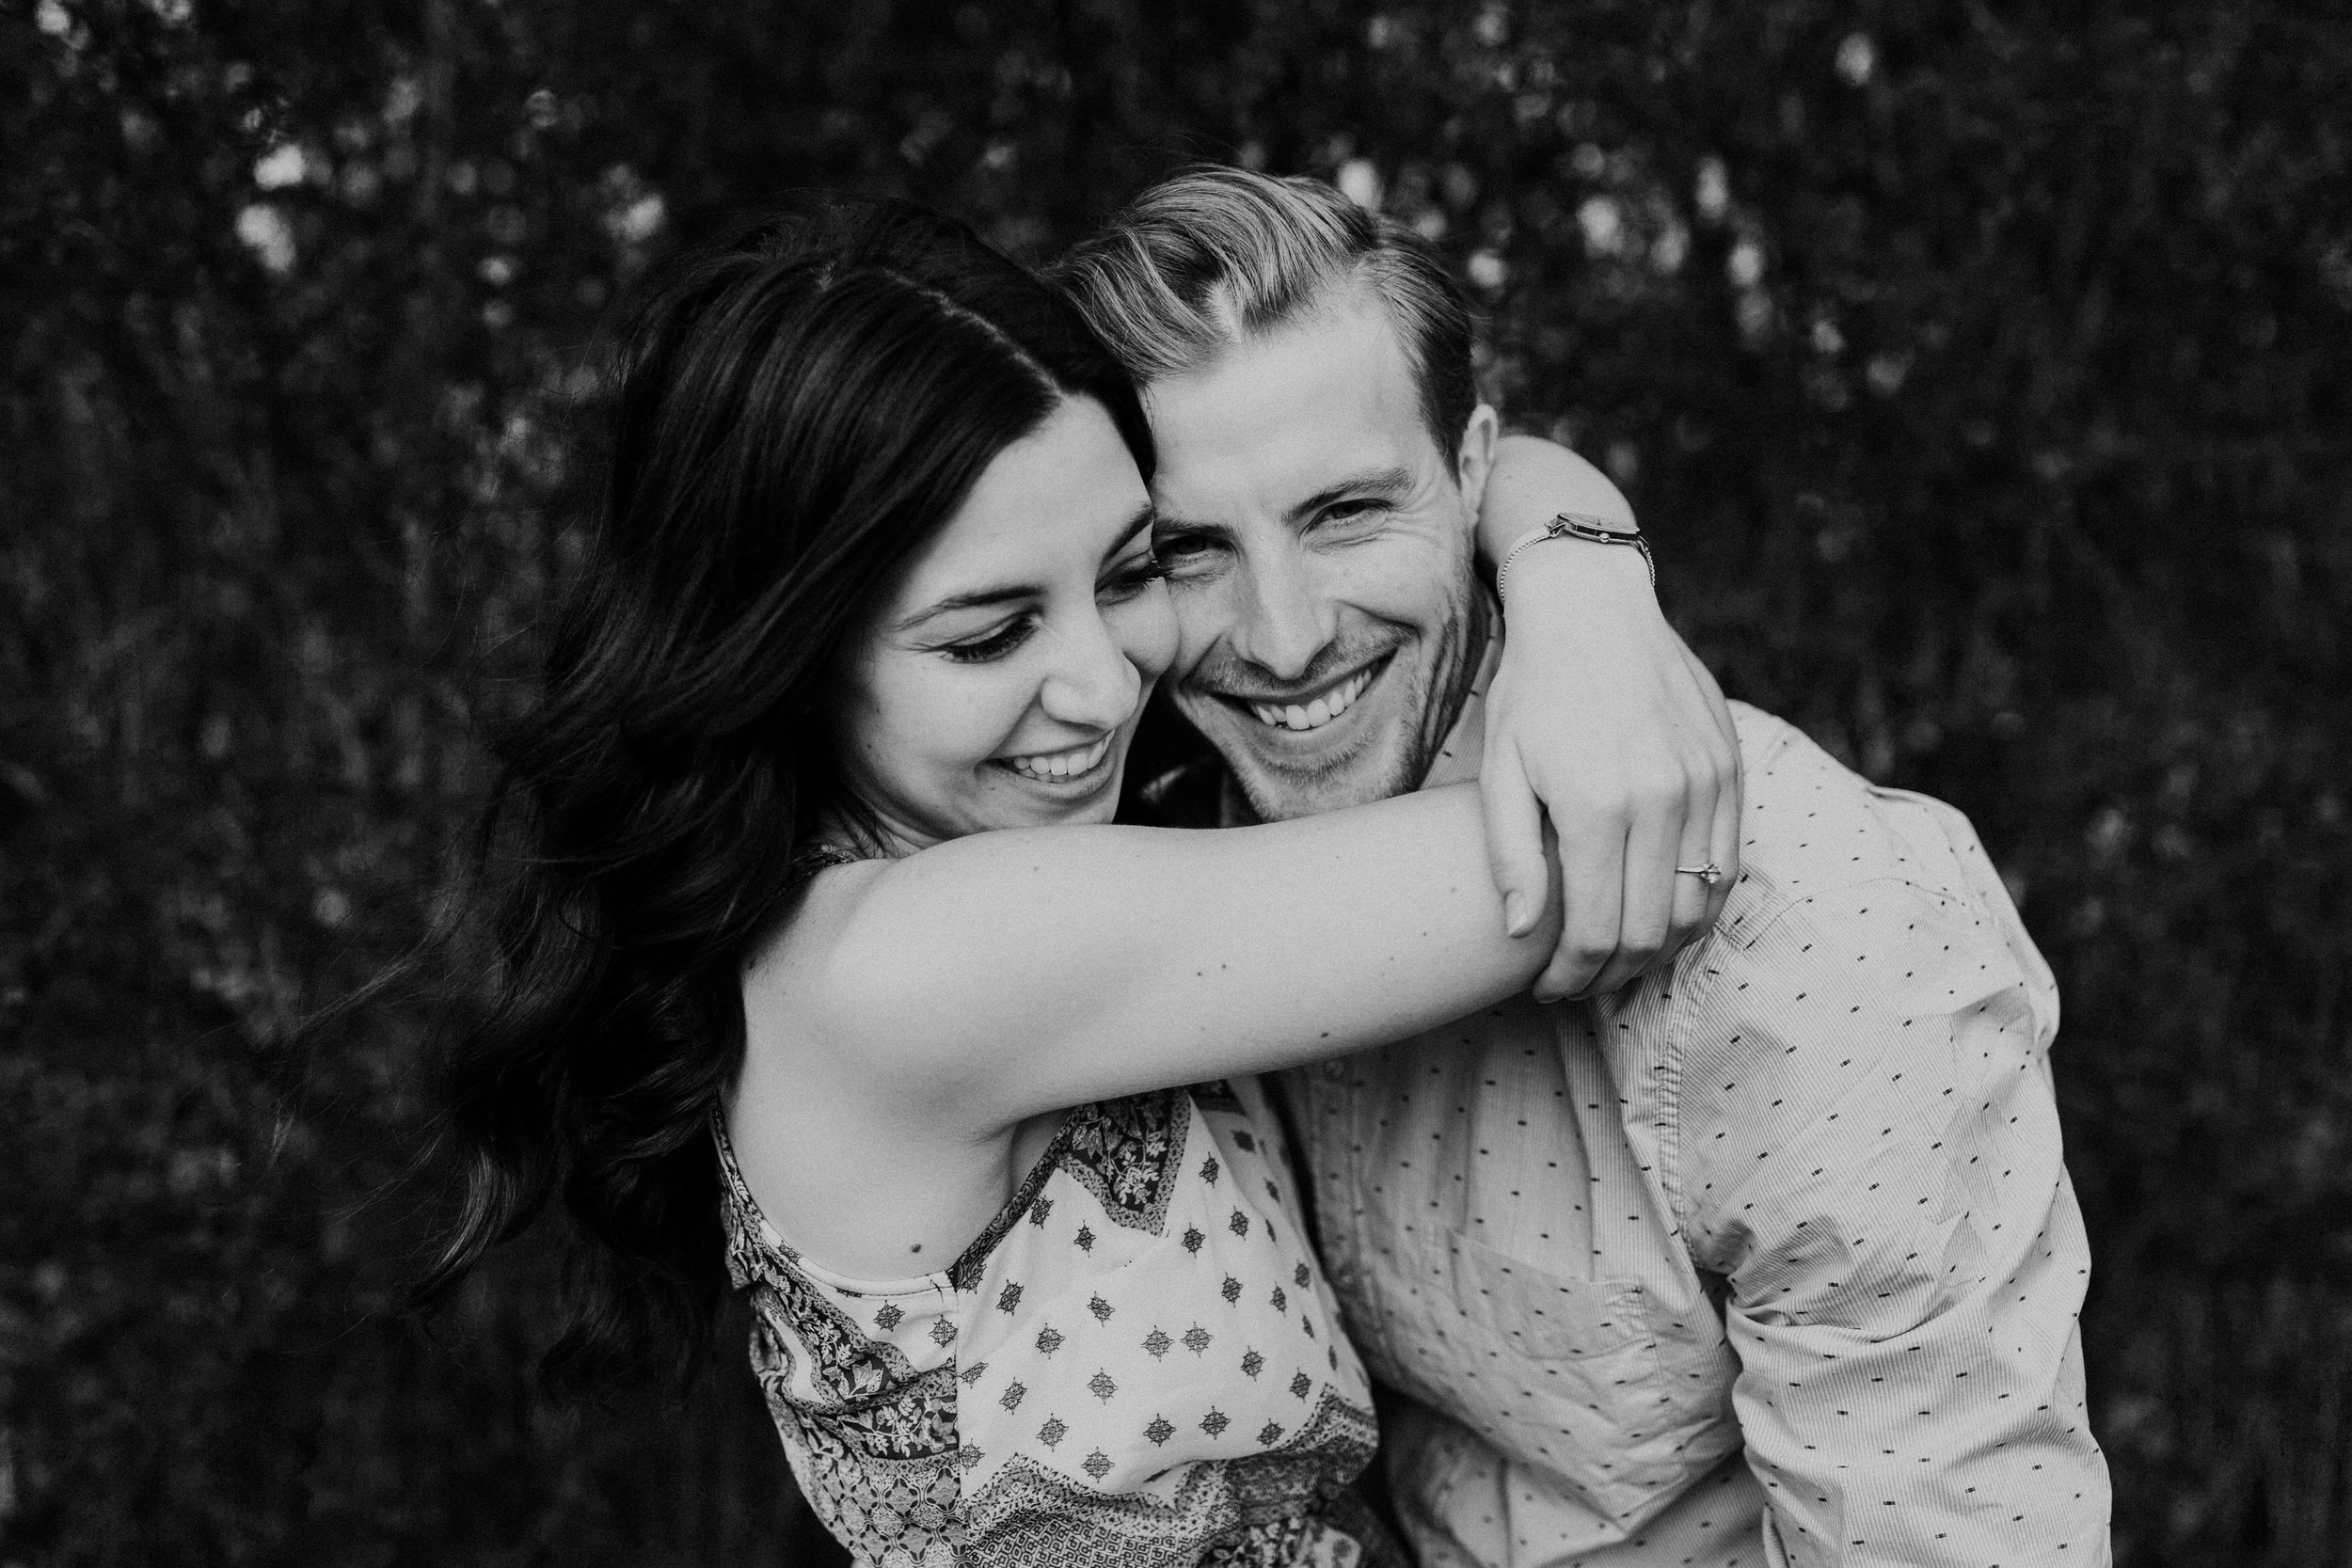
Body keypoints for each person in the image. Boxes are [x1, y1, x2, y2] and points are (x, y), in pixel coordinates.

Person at [420, 192, 1737, 1568]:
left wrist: (1571, 557)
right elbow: (1598, 824)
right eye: (990, 636)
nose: (1106, 685)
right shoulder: (913, 966)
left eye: (1129, 571)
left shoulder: (1011, 846)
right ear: (791, 654)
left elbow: (1456, 463)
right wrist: (1591, 608)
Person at [1056, 166, 2112, 1567]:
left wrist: (1583, 564)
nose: (1288, 635)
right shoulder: (1165, 819)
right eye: (1193, 551)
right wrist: (1580, 562)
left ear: (1476, 473)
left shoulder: (1806, 922)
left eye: (1346, 515)